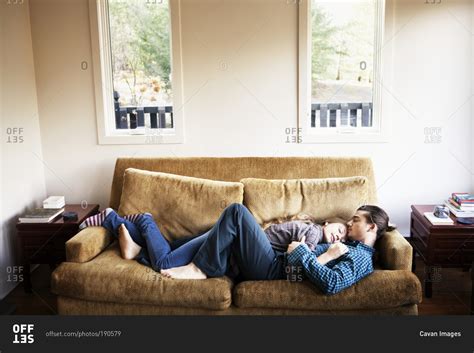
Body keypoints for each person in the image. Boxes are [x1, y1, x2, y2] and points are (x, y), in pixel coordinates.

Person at [160, 204, 396, 295]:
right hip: (278, 261)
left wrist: (302, 252)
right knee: (209, 235)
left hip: (274, 267)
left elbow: (332, 283)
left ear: (371, 227)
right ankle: (144, 249)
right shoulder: (346, 244)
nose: (349, 223)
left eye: (356, 220)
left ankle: (201, 268)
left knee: (236, 212)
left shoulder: (360, 257)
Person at [80, 207, 348, 275]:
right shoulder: (313, 229)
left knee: (165, 258)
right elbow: (298, 258)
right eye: (339, 228)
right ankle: (131, 231)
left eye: (344, 236)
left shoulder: (318, 240)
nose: (340, 235)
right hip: (237, 249)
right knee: (171, 251)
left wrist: (320, 254)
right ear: (326, 222)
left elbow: (299, 265)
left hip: (252, 259)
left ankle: (133, 225)